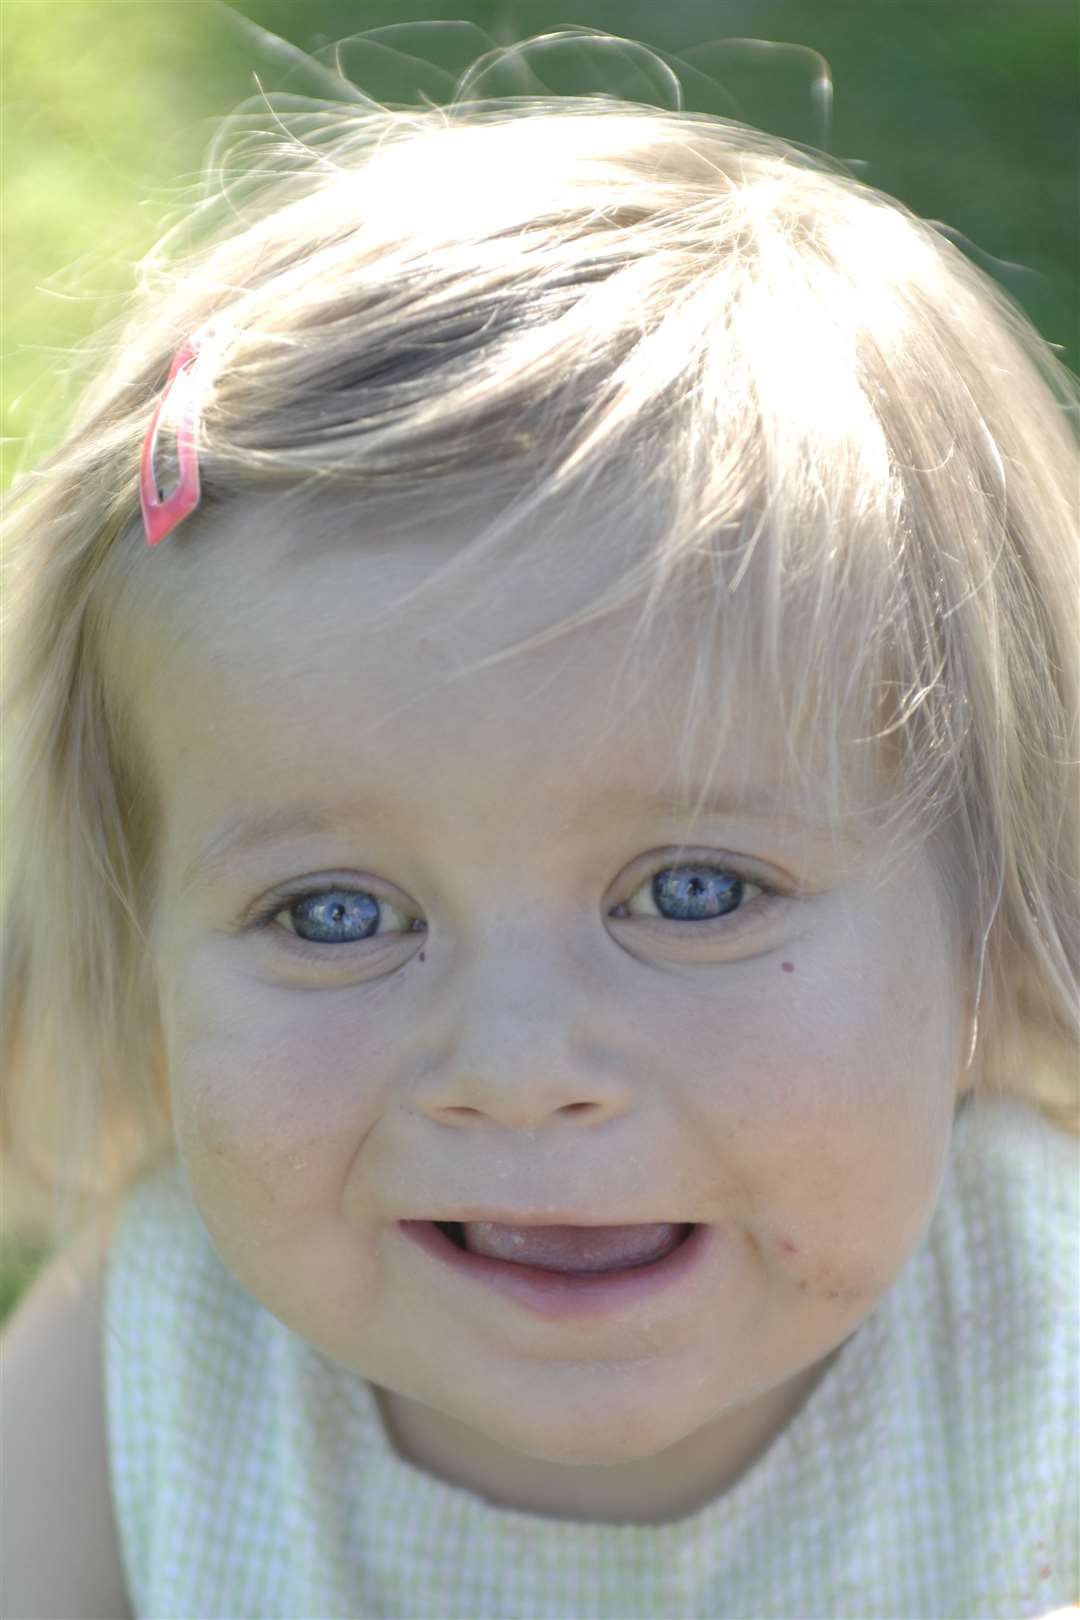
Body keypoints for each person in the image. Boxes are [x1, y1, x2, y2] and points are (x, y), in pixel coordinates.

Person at [1, 60, 1077, 1620]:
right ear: (141, 940)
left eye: (694, 892)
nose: (513, 1064)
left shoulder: (1039, 1336)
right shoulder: (153, 1371)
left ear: (989, 923)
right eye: (332, 914)